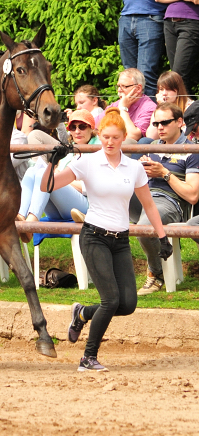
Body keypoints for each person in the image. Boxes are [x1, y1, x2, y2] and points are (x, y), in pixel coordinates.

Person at [40, 107, 171, 372]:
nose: (109, 142)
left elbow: (150, 205)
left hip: (121, 240)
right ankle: (88, 358)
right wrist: (52, 162)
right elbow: (47, 186)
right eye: (105, 137)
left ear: (123, 137)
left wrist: (163, 236)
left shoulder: (134, 168)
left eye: (114, 137)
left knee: (128, 304)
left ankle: (82, 313)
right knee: (110, 300)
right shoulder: (87, 162)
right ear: (100, 136)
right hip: (94, 237)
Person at [135, 102, 199, 295]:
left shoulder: (192, 150)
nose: (159, 127)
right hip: (141, 194)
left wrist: (163, 173)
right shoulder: (152, 146)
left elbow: (193, 195)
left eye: (165, 122)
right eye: (156, 124)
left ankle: (156, 274)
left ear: (180, 122)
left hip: (169, 201)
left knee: (145, 227)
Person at [16, 109, 99, 242]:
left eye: (82, 126)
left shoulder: (97, 151)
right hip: (62, 207)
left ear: (91, 128)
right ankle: (21, 216)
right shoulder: (70, 151)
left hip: (86, 205)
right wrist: (58, 177)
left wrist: (62, 178)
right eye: (73, 127)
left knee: (46, 175)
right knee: (33, 171)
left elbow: (88, 188)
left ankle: (30, 223)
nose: (77, 131)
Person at [118, 0, 167, 98]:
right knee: (128, 76)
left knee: (146, 75)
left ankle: (148, 112)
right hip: (126, 15)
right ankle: (132, 112)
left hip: (151, 16)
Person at [104, 68, 157, 141]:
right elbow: (96, 125)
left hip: (134, 149)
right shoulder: (117, 104)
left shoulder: (149, 107)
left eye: (124, 86)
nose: (119, 90)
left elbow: (133, 136)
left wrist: (123, 109)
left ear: (138, 88)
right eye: (118, 86)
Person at [162, 0, 199, 95]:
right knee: (177, 76)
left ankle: (188, 108)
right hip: (169, 22)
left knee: (178, 75)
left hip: (191, 22)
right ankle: (188, 108)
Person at [145, 71, 192, 140]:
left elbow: (185, 136)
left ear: (178, 90)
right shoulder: (160, 108)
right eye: (161, 89)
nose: (164, 93)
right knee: (145, 141)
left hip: (182, 145)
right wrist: (161, 107)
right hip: (164, 144)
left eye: (168, 89)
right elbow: (151, 136)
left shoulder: (189, 107)